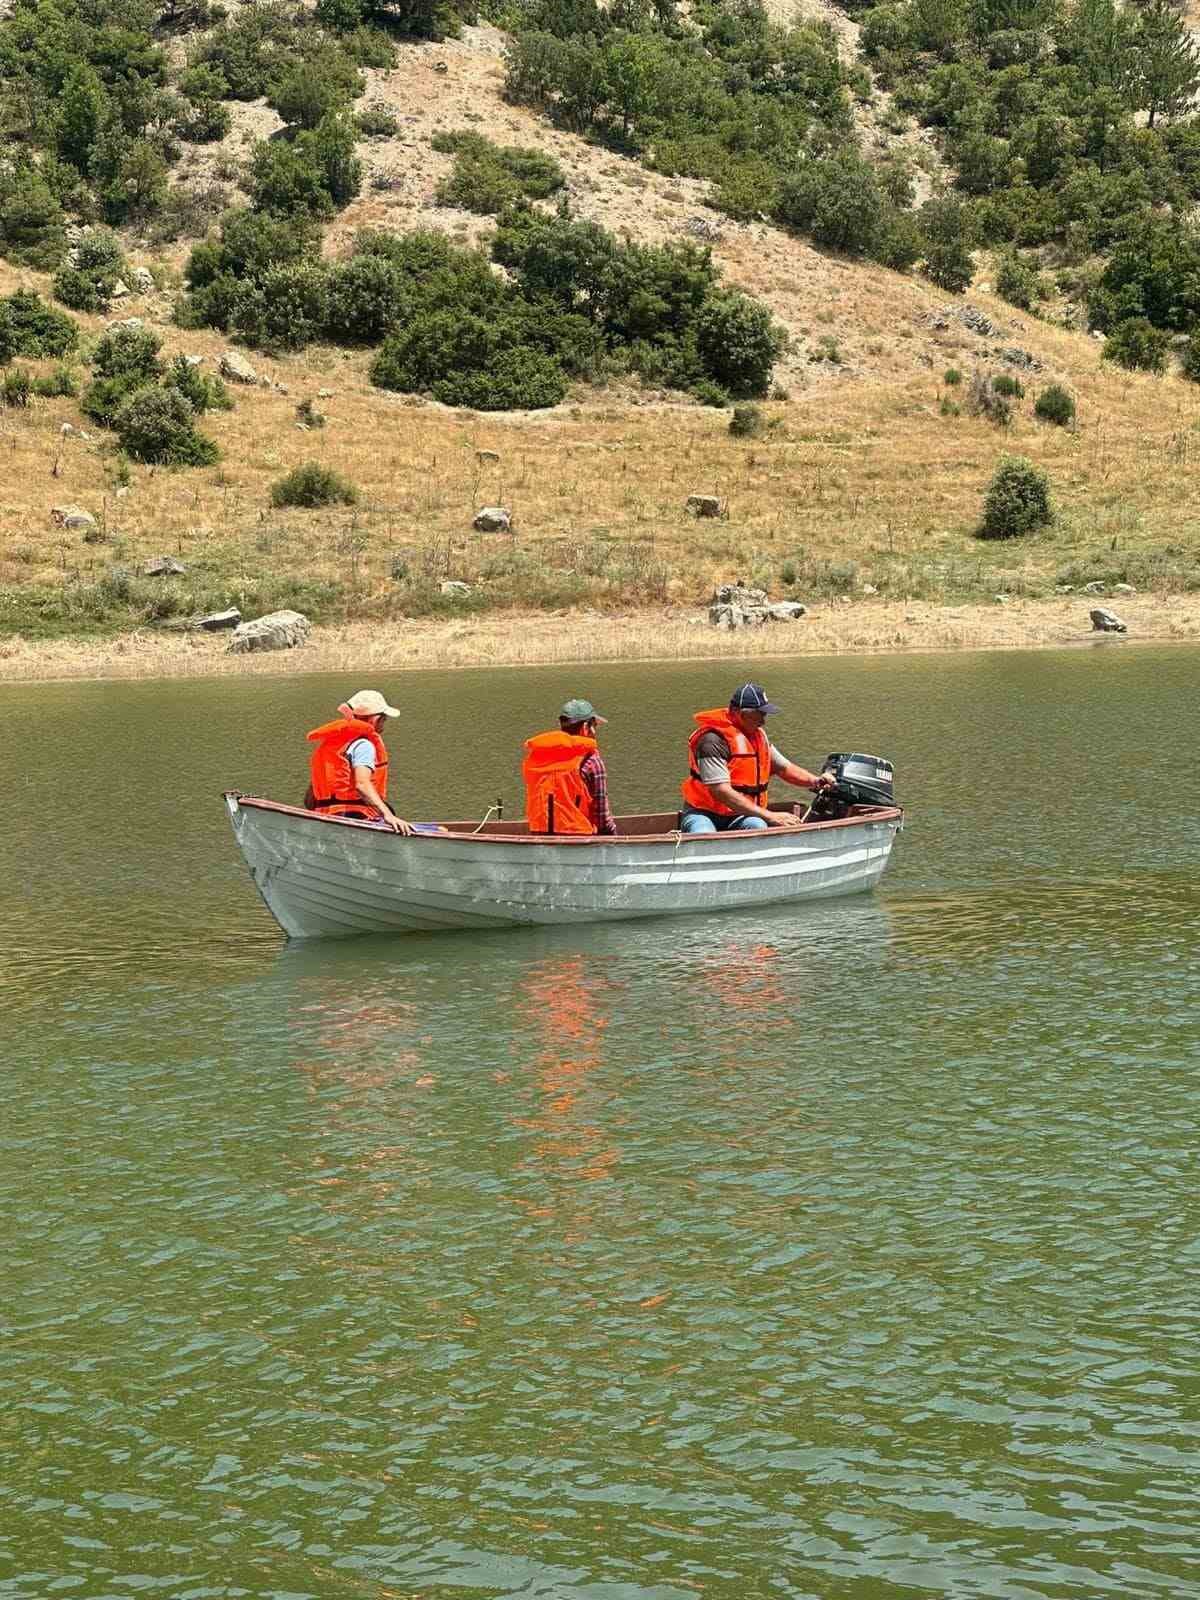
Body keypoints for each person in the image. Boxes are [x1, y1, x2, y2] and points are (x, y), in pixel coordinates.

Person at [679, 682, 833, 834]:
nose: (763, 721)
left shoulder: (757, 736)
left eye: (764, 714)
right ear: (740, 713)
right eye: (759, 714)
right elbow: (720, 791)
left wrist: (815, 781)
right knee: (704, 834)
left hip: (739, 815)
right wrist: (771, 816)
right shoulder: (713, 740)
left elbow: (784, 768)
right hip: (704, 813)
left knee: (757, 826)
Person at [306, 689, 417, 834]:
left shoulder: (332, 744)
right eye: (384, 719)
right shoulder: (364, 745)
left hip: (326, 817)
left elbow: (309, 797)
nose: (384, 724)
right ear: (375, 719)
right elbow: (362, 784)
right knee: (441, 830)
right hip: (356, 817)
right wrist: (388, 816)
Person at [522, 697, 617, 836]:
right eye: (594, 726)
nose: (595, 732)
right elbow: (602, 818)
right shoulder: (591, 761)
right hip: (578, 838)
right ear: (586, 727)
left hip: (538, 835)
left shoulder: (536, 758)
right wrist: (616, 837)